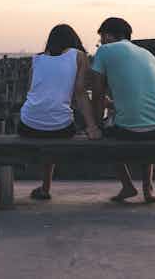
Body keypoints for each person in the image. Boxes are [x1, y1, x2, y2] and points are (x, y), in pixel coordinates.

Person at [91, 17, 155, 203]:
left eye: (101, 38)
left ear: (108, 36)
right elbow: (141, 97)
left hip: (130, 130)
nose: (100, 43)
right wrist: (112, 104)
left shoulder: (105, 51)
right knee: (146, 127)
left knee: (106, 137)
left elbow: (96, 93)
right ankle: (148, 189)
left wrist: (95, 125)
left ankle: (127, 186)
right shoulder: (147, 54)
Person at [19, 24, 101, 200]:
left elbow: (31, 91)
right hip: (60, 128)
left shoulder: (37, 59)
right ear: (74, 40)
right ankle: (46, 186)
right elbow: (80, 93)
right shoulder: (79, 56)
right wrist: (92, 126)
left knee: (50, 121)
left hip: (27, 124)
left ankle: (45, 187)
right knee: (58, 121)